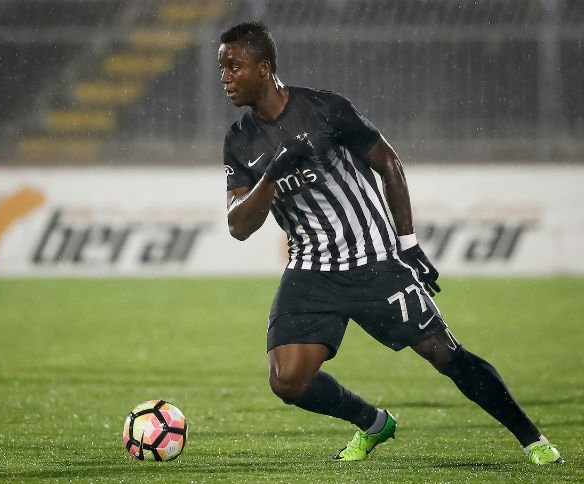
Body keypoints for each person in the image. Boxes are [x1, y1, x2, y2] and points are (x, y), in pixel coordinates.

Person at [218, 21, 562, 465]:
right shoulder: (239, 141)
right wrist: (272, 174)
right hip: (311, 269)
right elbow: (239, 226)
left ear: (263, 68)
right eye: (222, 68)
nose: (225, 77)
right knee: (287, 380)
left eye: (234, 66)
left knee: (444, 354)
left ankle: (533, 439)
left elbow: (389, 163)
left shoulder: (325, 109)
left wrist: (409, 244)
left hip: (374, 260)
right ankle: (373, 422)